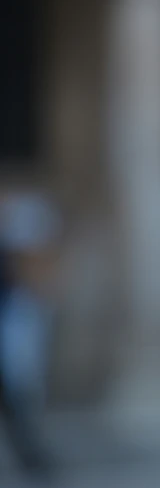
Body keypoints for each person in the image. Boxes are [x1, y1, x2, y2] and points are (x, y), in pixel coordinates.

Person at [0, 191, 59, 476]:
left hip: (13, 323)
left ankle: (34, 459)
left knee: (19, 396)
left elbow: (35, 272)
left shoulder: (16, 232)